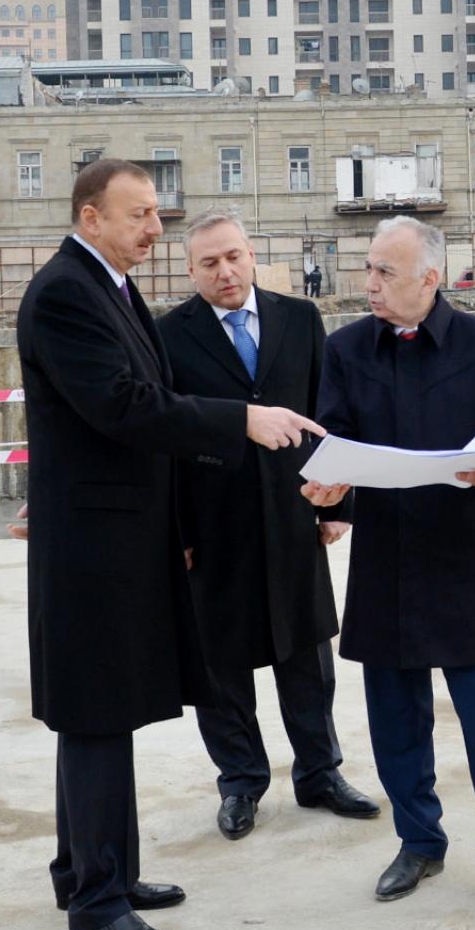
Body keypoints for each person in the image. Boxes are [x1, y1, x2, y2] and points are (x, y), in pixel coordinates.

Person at [14, 159, 322, 930]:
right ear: (91, 218)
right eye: (140, 214)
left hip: (116, 538)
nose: (156, 227)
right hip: (91, 549)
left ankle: (94, 874)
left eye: (155, 213)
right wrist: (239, 421)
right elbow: (122, 405)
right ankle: (98, 908)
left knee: (103, 719)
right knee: (95, 720)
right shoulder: (63, 293)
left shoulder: (106, 289)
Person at [303, 216, 475, 927]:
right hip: (386, 558)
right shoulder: (345, 349)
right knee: (394, 720)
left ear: (430, 280)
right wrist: (325, 484)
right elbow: (329, 434)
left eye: (384, 272)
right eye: (368, 269)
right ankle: (419, 841)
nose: (368, 284)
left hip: (464, 556)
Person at [158, 212, 381, 842]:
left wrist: (339, 506)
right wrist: (176, 534)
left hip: (293, 515)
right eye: (209, 263)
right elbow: (166, 438)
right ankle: (240, 783)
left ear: (252, 255)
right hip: (213, 525)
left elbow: (328, 414)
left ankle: (319, 773)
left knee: (307, 652)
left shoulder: (299, 319)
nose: (224, 272)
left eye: (233, 257)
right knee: (219, 664)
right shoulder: (168, 336)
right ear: (190, 269)